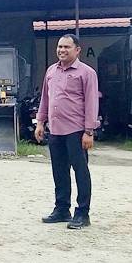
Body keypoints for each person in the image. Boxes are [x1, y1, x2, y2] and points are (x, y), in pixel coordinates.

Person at [34, 34, 99, 230]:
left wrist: (89, 131)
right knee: (59, 172)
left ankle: (82, 213)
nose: (62, 50)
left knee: (80, 172)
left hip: (77, 131)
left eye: (67, 47)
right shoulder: (51, 71)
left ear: (77, 50)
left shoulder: (86, 73)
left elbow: (91, 103)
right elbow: (45, 99)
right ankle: (62, 209)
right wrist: (40, 122)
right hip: (56, 130)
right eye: (60, 47)